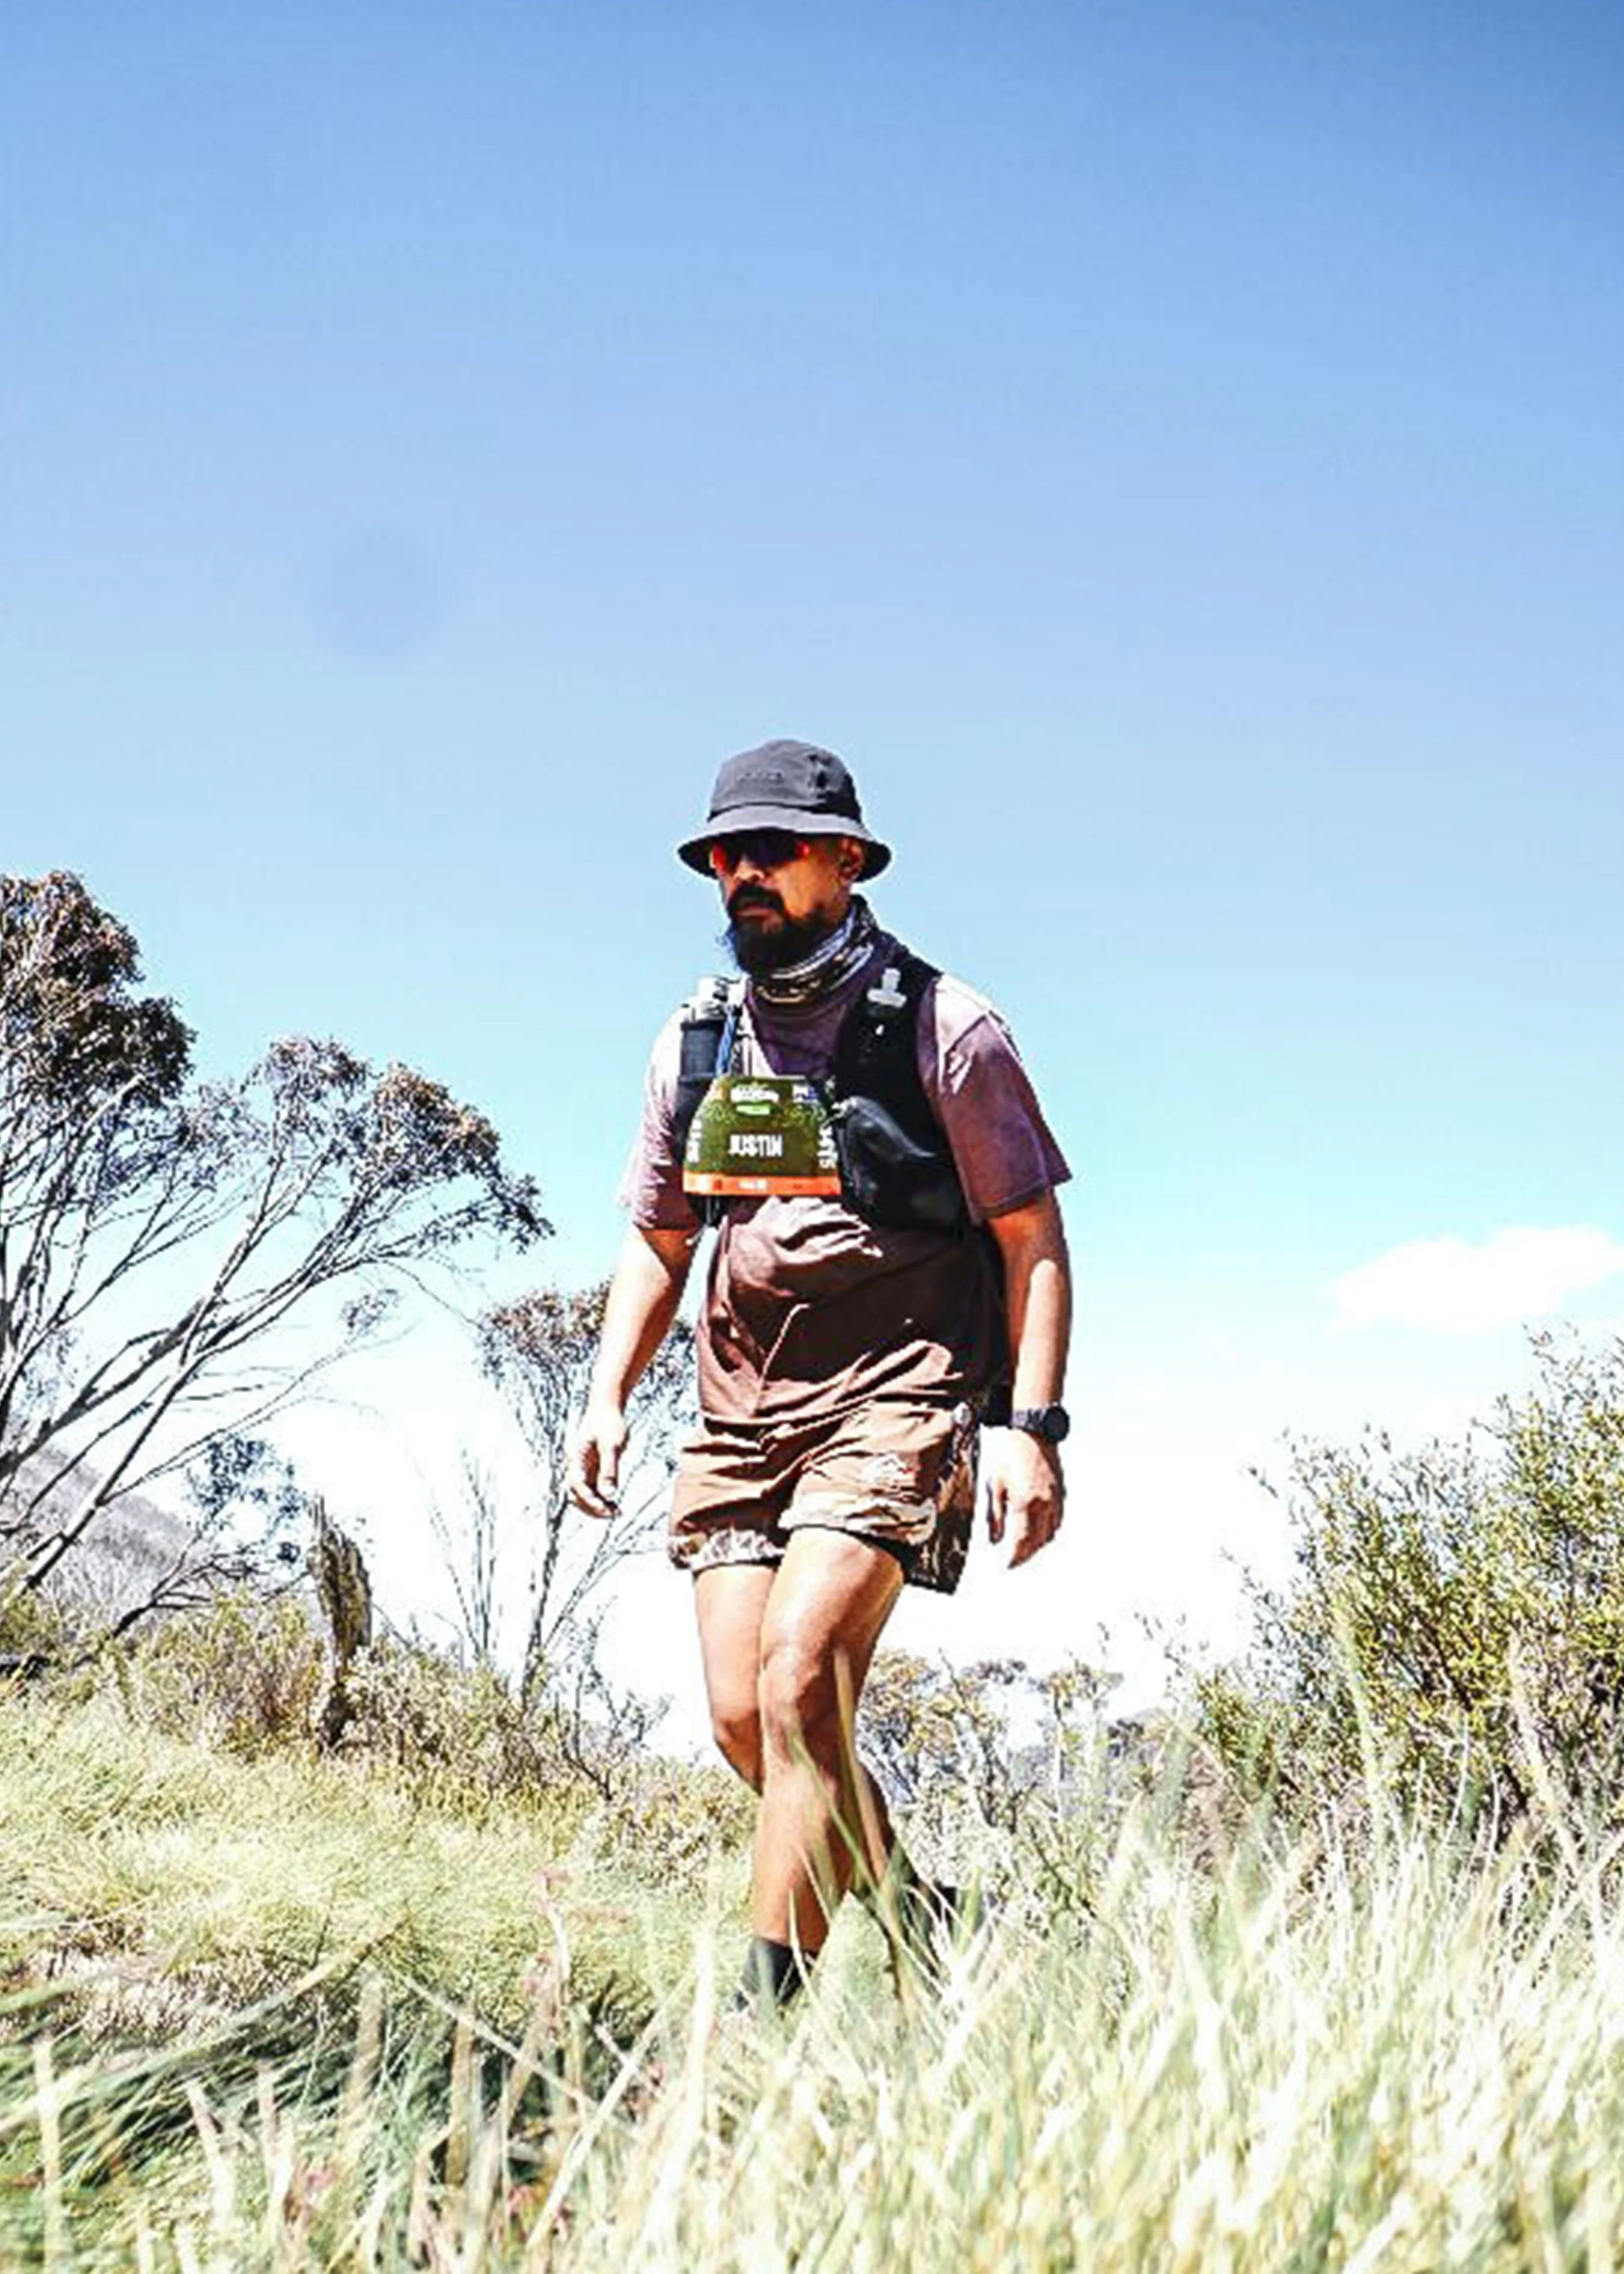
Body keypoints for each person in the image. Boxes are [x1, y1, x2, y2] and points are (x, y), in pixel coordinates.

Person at [568, 737, 1072, 2007]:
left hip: (899, 1395)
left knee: (802, 1684)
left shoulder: (946, 1031)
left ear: (844, 860)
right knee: (748, 1722)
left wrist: (1029, 1424)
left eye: (770, 851)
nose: (741, 876)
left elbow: (1032, 1241)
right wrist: (604, 1390)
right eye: (723, 856)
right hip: (739, 1418)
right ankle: (922, 1918)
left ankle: (757, 2033)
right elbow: (657, 1239)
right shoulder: (695, 1042)